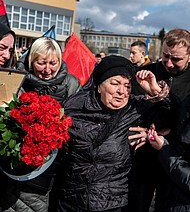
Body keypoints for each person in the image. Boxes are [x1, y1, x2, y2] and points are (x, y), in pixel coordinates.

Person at [52, 55, 172, 212]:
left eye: (128, 86)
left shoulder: (135, 109)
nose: (122, 91)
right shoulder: (74, 107)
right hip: (70, 201)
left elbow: (171, 119)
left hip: (112, 204)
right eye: (115, 84)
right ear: (99, 86)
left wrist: (155, 92)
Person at [0, 36, 81, 212]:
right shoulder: (16, 79)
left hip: (59, 166)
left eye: (53, 63)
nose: (47, 70)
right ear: (31, 60)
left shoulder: (72, 84)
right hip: (23, 168)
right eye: (41, 63)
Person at [128, 28, 190, 212]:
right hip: (143, 157)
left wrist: (158, 94)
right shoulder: (145, 72)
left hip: (174, 160)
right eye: (165, 56)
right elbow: (131, 110)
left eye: (176, 59)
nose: (169, 64)